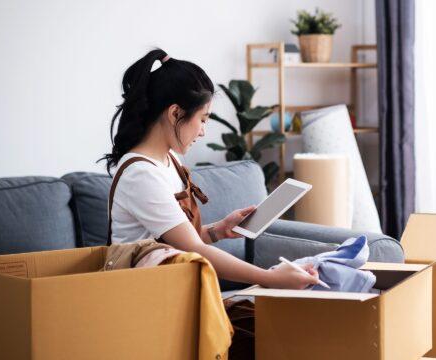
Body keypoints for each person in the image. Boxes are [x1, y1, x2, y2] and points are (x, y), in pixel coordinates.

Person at [100, 48, 319, 290]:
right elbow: (193, 249)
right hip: (140, 297)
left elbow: (175, 242)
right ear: (175, 113)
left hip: (167, 288)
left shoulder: (169, 159)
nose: (203, 131)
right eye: (202, 119)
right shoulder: (140, 174)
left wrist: (220, 230)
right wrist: (270, 279)